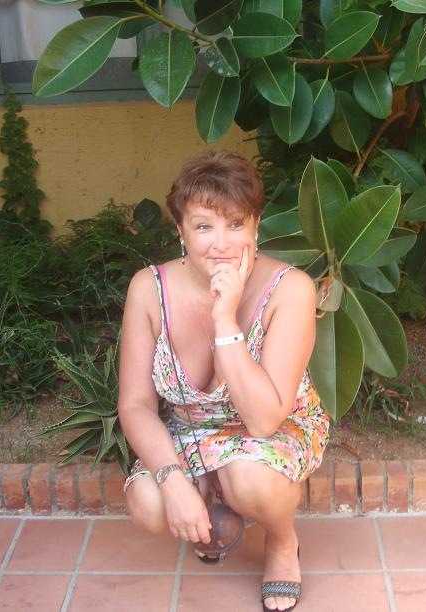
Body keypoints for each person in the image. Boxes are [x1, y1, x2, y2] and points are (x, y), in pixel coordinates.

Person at [118, 150, 330, 612]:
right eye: (203, 226)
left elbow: (263, 420)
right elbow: (135, 405)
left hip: (273, 427)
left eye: (235, 224)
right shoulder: (147, 289)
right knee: (149, 502)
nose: (222, 244)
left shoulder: (290, 289)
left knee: (248, 478)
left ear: (256, 226)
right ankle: (210, 493)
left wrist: (225, 319)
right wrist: (173, 480)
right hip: (191, 431)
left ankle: (282, 541)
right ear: (180, 231)